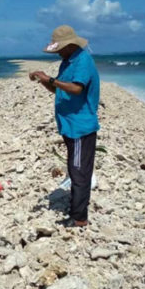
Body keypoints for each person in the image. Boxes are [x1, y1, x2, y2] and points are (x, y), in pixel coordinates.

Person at [29, 25, 100, 227]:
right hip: (70, 125)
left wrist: (50, 78)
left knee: (78, 171)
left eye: (59, 49)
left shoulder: (83, 60)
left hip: (80, 127)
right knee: (74, 167)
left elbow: (76, 89)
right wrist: (43, 79)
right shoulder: (68, 62)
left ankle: (79, 218)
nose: (58, 52)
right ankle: (77, 209)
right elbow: (59, 89)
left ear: (69, 45)